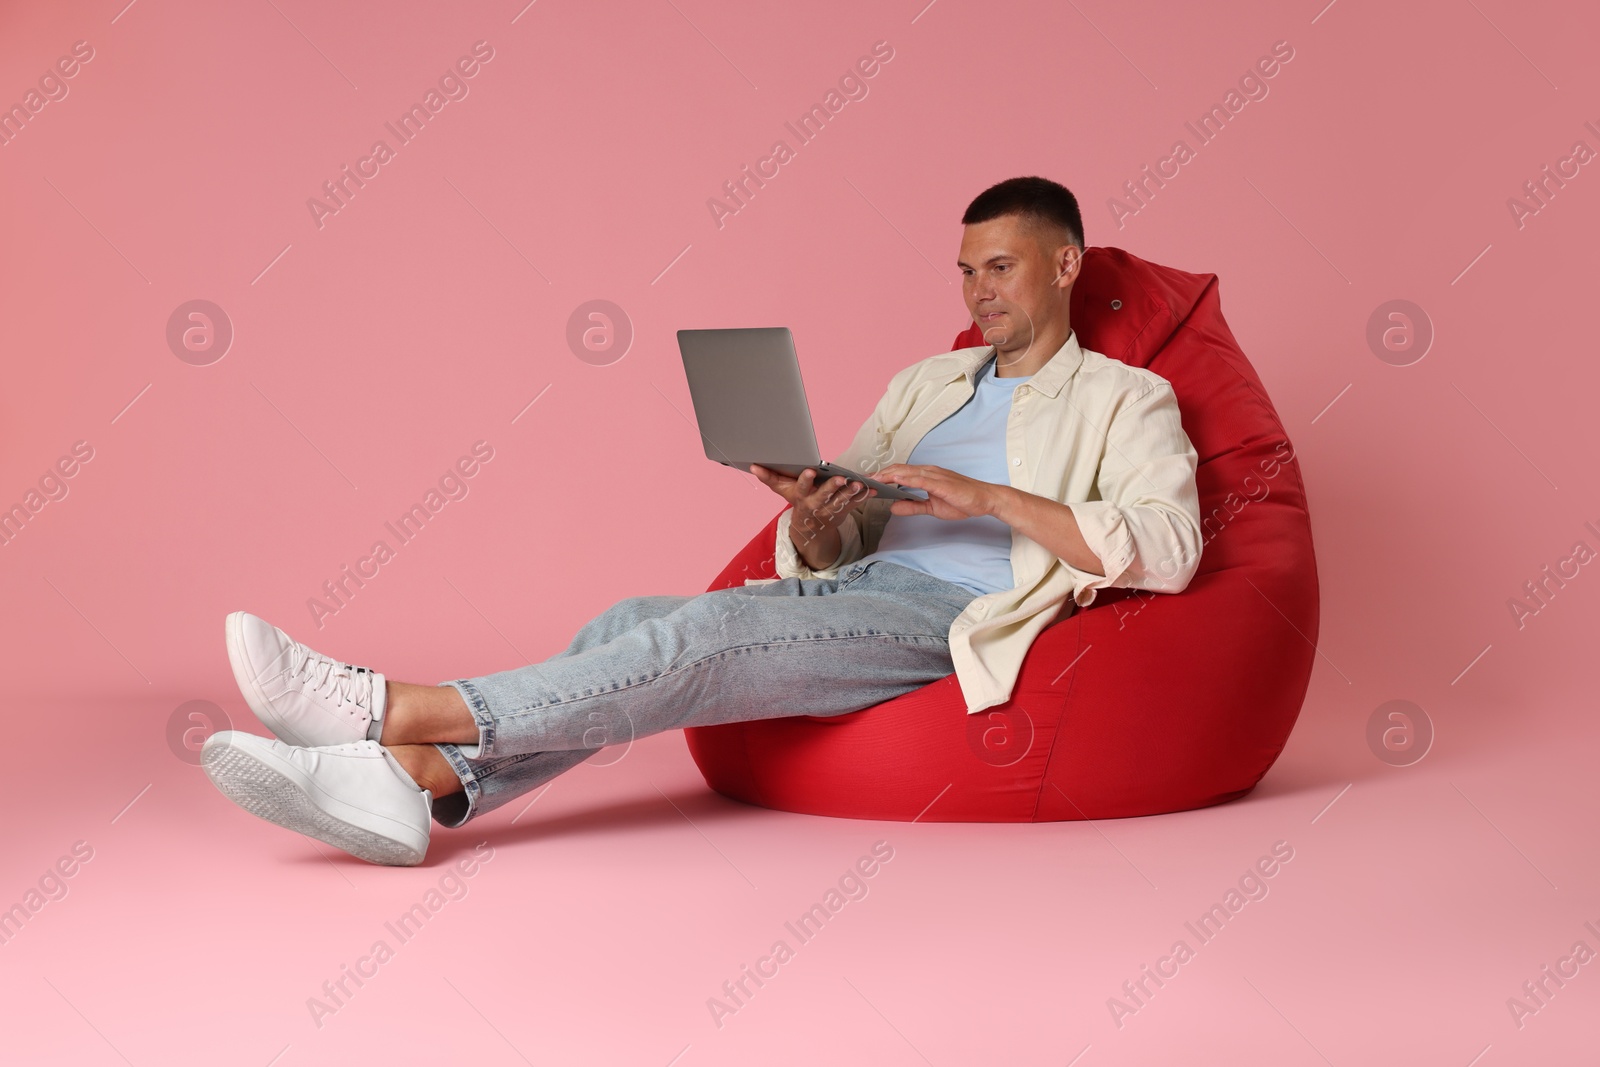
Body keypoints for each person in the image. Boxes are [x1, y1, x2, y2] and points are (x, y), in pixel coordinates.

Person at [201, 175, 1204, 866]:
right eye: (965, 269)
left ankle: (389, 710)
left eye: (1000, 266)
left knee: (710, 628)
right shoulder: (929, 380)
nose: (977, 290)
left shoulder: (1127, 399)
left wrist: (984, 496)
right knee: (630, 615)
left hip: (952, 616)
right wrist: (816, 516)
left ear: (1067, 264)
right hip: (857, 589)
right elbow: (837, 541)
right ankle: (416, 780)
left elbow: (1169, 547)